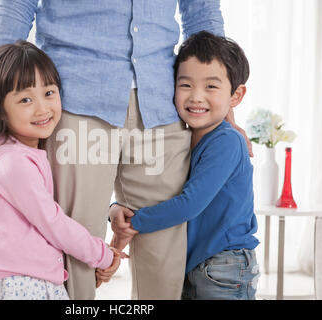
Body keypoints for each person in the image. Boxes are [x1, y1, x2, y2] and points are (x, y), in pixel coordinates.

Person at [0, 0, 252, 300]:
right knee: (75, 242)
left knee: (164, 249)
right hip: (76, 96)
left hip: (161, 100)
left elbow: (201, 6)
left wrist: (224, 105)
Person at [0, 40, 120, 300]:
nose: (42, 108)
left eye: (49, 93)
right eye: (25, 99)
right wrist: (102, 254)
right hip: (16, 283)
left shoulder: (13, 153)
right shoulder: (12, 162)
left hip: (21, 279)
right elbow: (53, 221)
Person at [111, 31, 260, 300]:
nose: (196, 97)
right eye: (185, 85)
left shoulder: (227, 140)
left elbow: (189, 203)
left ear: (236, 96)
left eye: (211, 87)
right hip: (193, 262)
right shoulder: (181, 136)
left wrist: (136, 222)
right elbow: (158, 189)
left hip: (224, 264)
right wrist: (114, 207)